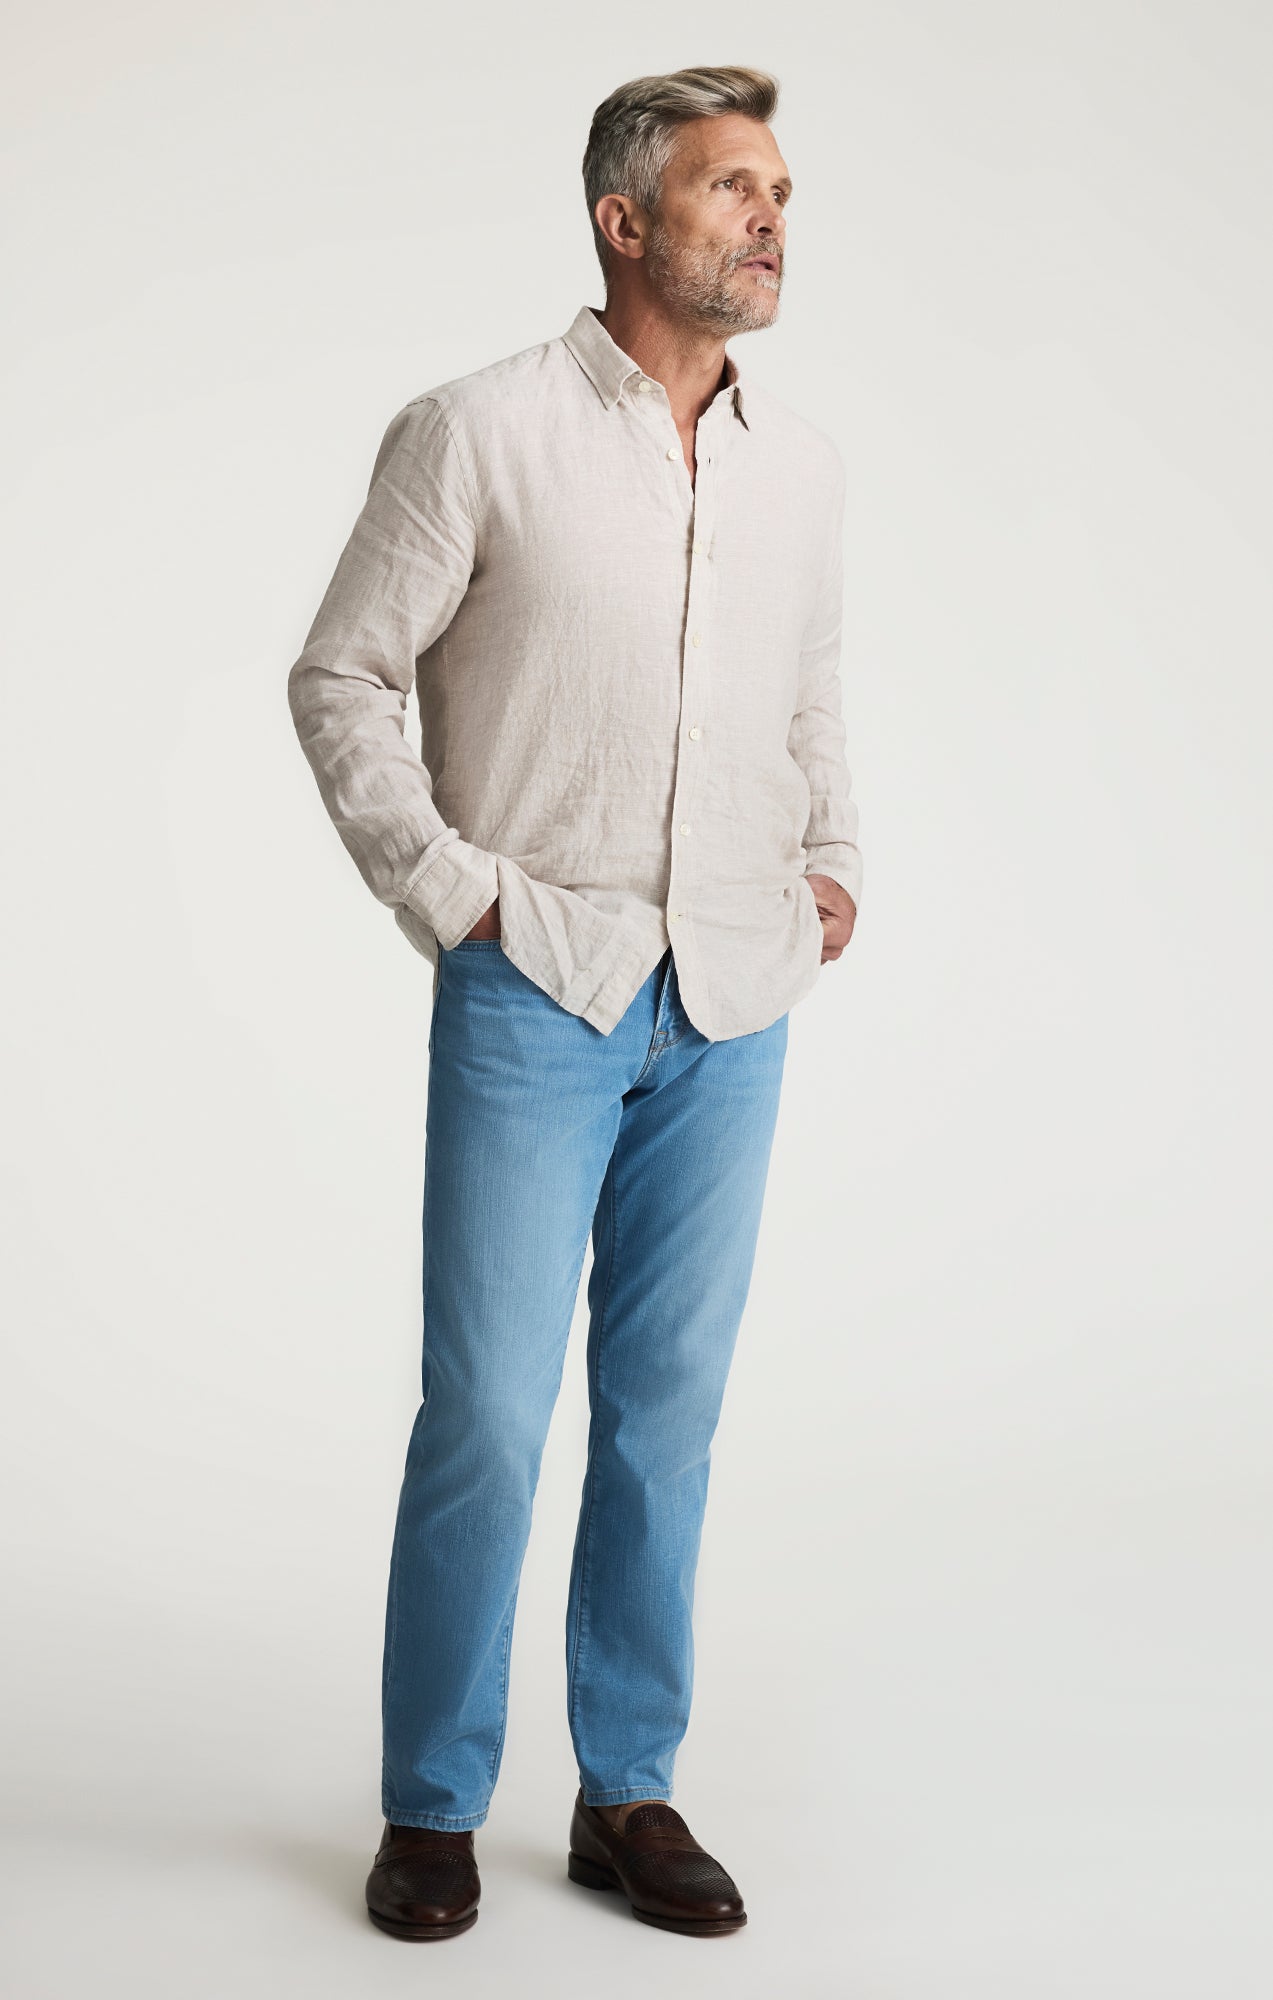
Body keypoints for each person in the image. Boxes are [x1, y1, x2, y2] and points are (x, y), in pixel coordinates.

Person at [287, 61, 862, 1942]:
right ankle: (433, 1801)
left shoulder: (801, 467)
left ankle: (626, 1789)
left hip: (734, 1000)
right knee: (485, 1414)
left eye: (778, 191)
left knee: (664, 1417)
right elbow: (343, 677)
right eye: (728, 187)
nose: (768, 218)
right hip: (537, 978)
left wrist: (834, 861)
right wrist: (447, 890)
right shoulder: (476, 432)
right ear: (624, 221)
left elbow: (808, 696)